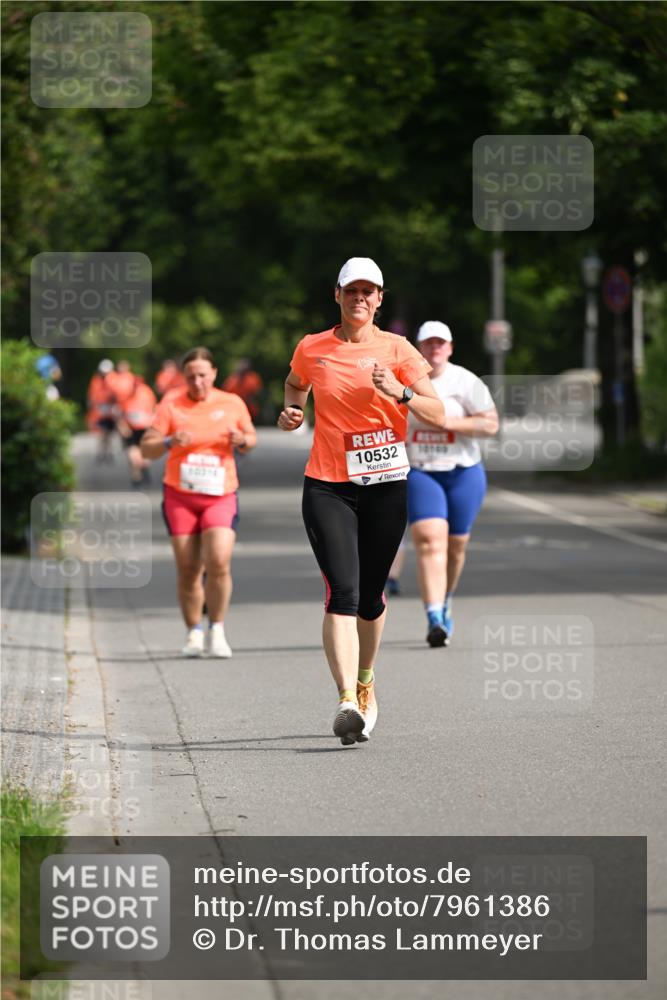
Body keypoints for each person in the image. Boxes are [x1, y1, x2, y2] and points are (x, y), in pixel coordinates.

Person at [278, 257, 444, 746]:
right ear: (337, 295)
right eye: (352, 290)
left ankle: (366, 681)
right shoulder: (313, 347)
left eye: (369, 292)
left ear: (379, 300)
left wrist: (401, 394)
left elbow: (437, 412)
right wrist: (292, 410)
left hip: (386, 485)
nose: (360, 299)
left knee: (371, 599)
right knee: (342, 593)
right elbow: (294, 384)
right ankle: (346, 700)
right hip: (328, 484)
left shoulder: (398, 350)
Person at [140, 347, 257, 658]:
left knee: (218, 560)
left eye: (203, 375)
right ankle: (193, 632)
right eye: (191, 376)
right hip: (180, 494)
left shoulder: (231, 402)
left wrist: (241, 441)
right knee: (189, 567)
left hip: (220, 493)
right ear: (184, 377)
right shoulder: (171, 403)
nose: (198, 382)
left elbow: (251, 437)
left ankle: (217, 629)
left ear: (214, 373)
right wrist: (167, 441)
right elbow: (147, 448)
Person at [407, 321, 499, 647]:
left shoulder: (465, 381)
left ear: (450, 348)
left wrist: (449, 422)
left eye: (440, 343)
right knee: (430, 540)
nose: (435, 349)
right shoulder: (404, 380)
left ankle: (445, 599)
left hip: (463, 472)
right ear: (418, 347)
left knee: (456, 546)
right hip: (420, 470)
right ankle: (434, 616)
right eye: (428, 343)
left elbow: (491, 424)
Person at [117, 375, 157, 487]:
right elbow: (119, 413)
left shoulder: (147, 393)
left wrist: (152, 425)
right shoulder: (125, 395)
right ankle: (136, 477)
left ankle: (144, 469)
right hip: (130, 430)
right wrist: (122, 426)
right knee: (133, 455)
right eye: (134, 385)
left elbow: (154, 410)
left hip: (145, 428)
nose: (135, 388)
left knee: (145, 454)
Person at [87, 359, 116, 462]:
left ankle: (109, 452)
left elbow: (118, 394)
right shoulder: (96, 380)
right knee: (101, 432)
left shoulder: (114, 379)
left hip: (110, 411)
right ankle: (101, 453)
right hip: (99, 411)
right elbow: (92, 394)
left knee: (108, 434)